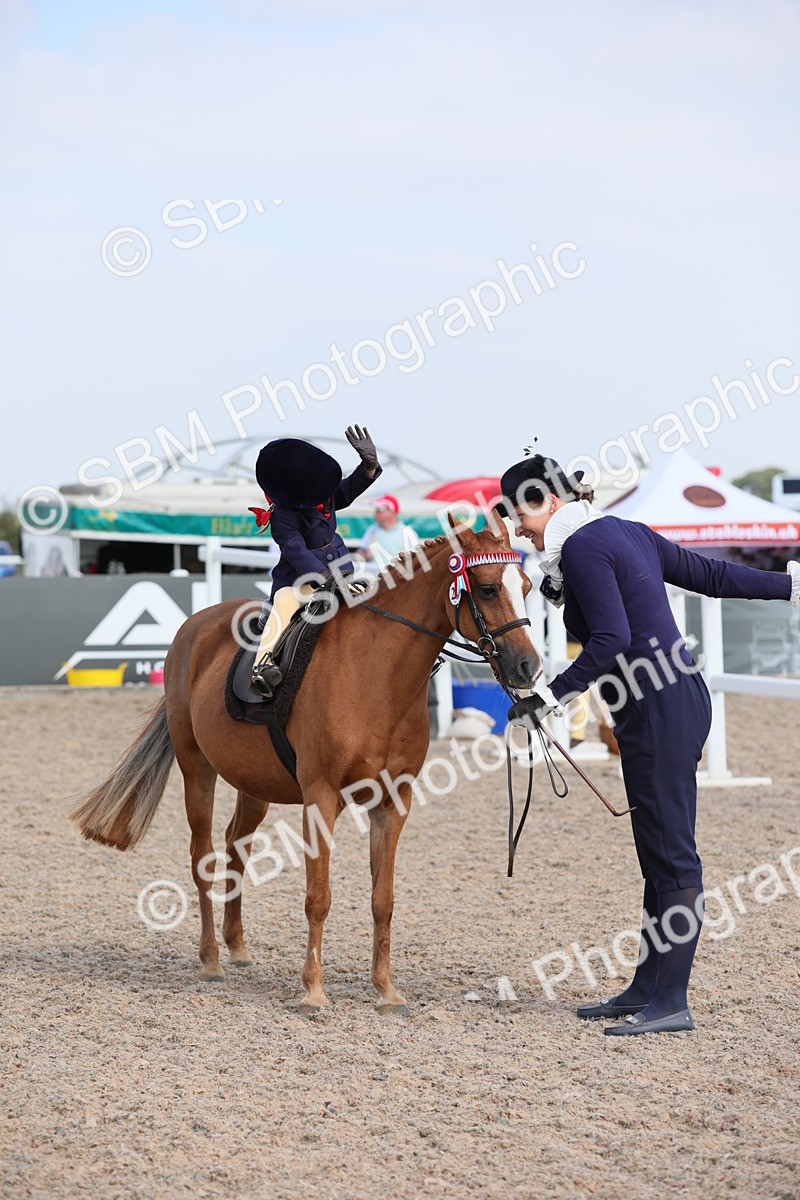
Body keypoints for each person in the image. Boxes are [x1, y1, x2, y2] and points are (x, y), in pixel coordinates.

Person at [495, 450, 800, 1036]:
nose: (519, 530)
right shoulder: (623, 532)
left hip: (657, 709)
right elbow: (712, 577)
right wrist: (790, 584)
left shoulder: (583, 547)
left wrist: (547, 698)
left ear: (549, 502)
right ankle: (646, 988)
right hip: (671, 701)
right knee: (657, 853)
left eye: (520, 516)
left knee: (673, 857)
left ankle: (672, 1003)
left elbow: (611, 639)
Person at [250, 426, 381, 697]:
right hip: (301, 582)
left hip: (342, 573)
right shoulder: (284, 516)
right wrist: (326, 578)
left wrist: (368, 467)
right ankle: (262, 666)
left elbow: (349, 490)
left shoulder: (325, 496)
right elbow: (296, 551)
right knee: (284, 602)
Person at [357, 494, 419, 570]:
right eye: (376, 510)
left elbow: (415, 560)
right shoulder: (372, 529)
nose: (376, 513)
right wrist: (365, 556)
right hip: (373, 575)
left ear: (392, 512)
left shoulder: (407, 532)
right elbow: (360, 553)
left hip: (397, 575)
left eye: (380, 510)